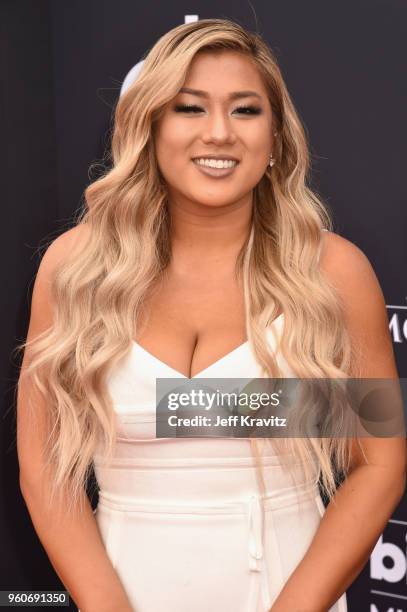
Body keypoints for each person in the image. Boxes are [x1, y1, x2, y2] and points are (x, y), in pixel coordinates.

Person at [16, 18, 406, 612]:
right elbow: (44, 468)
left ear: (276, 137)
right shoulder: (77, 269)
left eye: (245, 110)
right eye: (189, 109)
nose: (219, 133)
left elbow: (379, 462)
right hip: (121, 590)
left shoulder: (333, 273)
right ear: (150, 126)